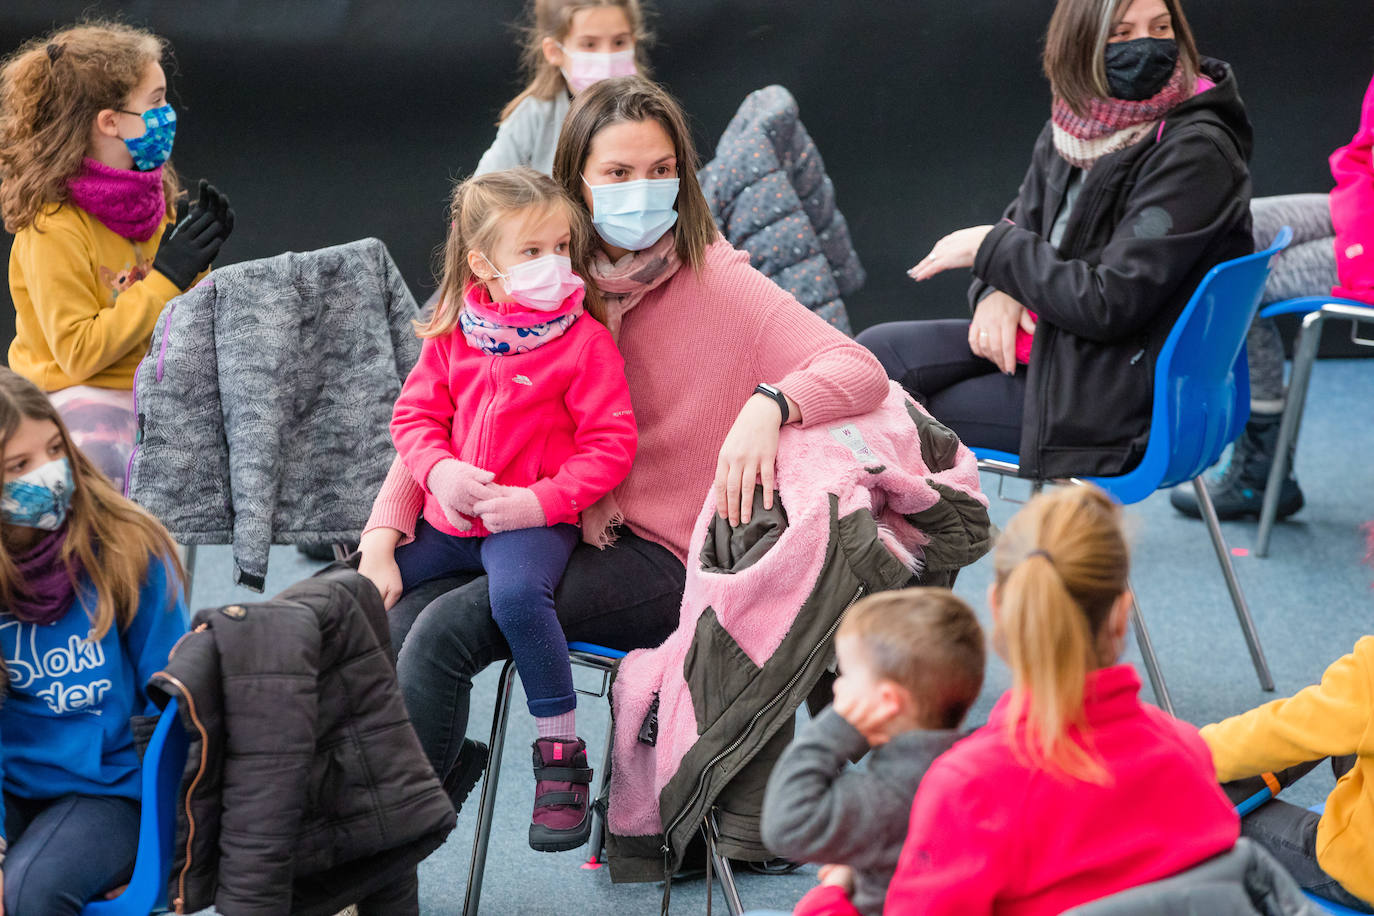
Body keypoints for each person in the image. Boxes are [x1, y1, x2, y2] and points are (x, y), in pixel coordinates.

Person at [358, 76, 888, 842]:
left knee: (444, 631)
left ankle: (387, 844)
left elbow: (858, 367)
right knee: (389, 615)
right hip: (537, 521)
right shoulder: (541, 281)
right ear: (575, 181)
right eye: (617, 173)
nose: (644, 190)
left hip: (656, 554)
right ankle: (373, 837)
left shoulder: (721, 283)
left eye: (662, 170)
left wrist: (769, 404)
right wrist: (383, 536)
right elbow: (445, 412)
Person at [857, 0, 1252, 482]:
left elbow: (1110, 301)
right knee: (873, 356)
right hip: (1056, 346)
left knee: (891, 415)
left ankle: (893, 554)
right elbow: (1020, 226)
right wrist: (997, 289)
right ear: (1079, 41)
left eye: (1161, 27)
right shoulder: (1073, 124)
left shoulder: (1195, 151)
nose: (1146, 45)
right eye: (1121, 33)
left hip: (1112, 394)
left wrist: (991, 252)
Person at [815, 487, 1238, 916]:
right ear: (1121, 613)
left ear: (998, 608)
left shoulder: (969, 786)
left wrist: (833, 892)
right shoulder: (1188, 751)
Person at [386, 166, 637, 851]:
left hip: (529, 524)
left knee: (520, 600)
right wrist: (438, 472)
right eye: (531, 252)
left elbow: (611, 446)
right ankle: (365, 756)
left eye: (561, 247)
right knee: (362, 596)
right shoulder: (452, 332)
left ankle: (561, 759)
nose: (553, 264)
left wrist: (540, 501)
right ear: (483, 264)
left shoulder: (584, 341)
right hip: (449, 524)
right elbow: (413, 420)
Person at [0, 22, 235, 492]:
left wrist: (197, 265)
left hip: (148, 390)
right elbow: (78, 353)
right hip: (71, 396)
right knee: (106, 447)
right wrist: (169, 276)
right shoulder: (54, 226)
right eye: (156, 101)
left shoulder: (151, 198)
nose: (168, 113)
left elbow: (171, 320)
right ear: (110, 122)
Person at [0, 367, 188, 915]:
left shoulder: (128, 544)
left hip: (108, 790)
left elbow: (177, 705)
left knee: (30, 893)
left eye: (55, 448)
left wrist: (166, 841)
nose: (49, 473)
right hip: (11, 784)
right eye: (19, 465)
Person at [1171, 68, 1374, 521]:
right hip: (1366, 204)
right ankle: (1261, 464)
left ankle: (1262, 474)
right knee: (1234, 232)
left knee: (1239, 285)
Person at [759, 588, 985, 916]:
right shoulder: (975, 769)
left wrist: (836, 725)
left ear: (887, 701)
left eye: (847, 677)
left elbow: (785, 827)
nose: (837, 687)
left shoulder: (884, 796)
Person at [1199, 635, 1374, 912]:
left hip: (1364, 876)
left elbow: (1276, 733)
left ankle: (1207, 793)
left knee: (1210, 807)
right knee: (1333, 717)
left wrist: (1185, 749)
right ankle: (1245, 782)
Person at [474, 0, 651, 177]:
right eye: (589, 44)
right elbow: (481, 195)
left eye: (619, 42)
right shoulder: (534, 117)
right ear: (554, 51)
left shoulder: (653, 113)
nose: (607, 56)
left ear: (634, 43)